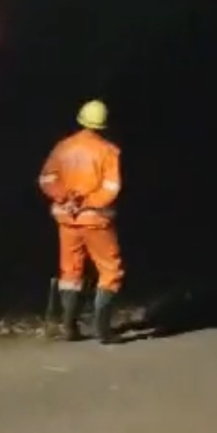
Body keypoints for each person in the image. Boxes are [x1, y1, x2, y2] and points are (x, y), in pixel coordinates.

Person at [38, 99, 123, 343]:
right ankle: (103, 331)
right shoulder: (108, 151)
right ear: (104, 125)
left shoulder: (62, 147)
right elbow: (111, 187)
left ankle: (69, 327)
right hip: (95, 220)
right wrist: (86, 201)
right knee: (110, 270)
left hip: (67, 219)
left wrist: (66, 198)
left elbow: (46, 179)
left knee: (70, 272)